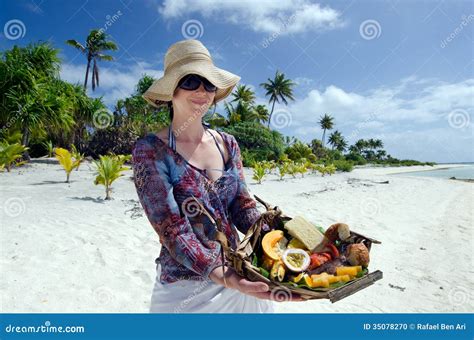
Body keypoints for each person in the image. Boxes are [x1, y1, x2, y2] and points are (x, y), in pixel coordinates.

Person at [132, 39, 302, 313]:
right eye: (190, 81)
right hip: (186, 288)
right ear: (171, 90)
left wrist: (280, 241)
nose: (201, 91)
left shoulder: (227, 143)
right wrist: (222, 273)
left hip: (241, 272)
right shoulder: (151, 151)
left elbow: (242, 206)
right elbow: (172, 230)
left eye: (209, 83)